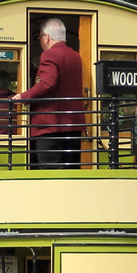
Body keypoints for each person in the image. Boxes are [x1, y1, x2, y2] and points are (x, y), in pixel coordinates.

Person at [11, 18, 85, 168]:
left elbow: (46, 83)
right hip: (74, 125)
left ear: (46, 37)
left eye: (40, 38)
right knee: (72, 169)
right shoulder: (76, 56)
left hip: (51, 125)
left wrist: (23, 97)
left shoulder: (50, 55)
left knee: (50, 170)